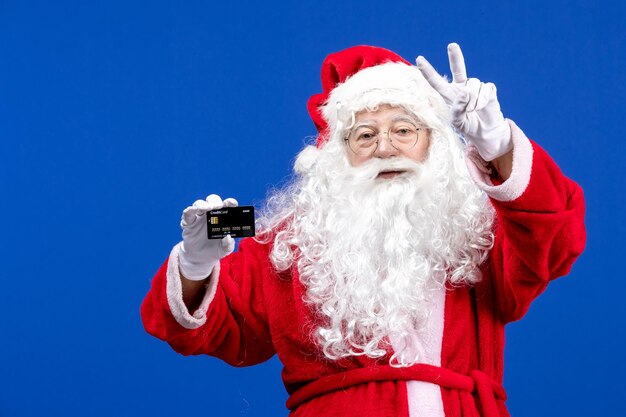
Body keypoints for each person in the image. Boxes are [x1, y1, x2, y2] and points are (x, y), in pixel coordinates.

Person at [141, 43, 586, 417]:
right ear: (339, 154)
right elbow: (213, 330)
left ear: (433, 140)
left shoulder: (476, 230)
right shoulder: (293, 244)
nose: (385, 147)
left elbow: (556, 241)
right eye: (365, 135)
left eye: (404, 130)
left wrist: (499, 145)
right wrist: (196, 263)